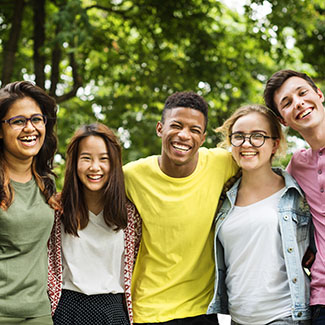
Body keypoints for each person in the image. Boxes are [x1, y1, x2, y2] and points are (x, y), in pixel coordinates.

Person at [123, 91, 238, 324]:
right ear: (160, 129)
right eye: (176, 126)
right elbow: (87, 192)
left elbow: (262, 169)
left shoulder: (222, 163)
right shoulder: (131, 175)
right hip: (148, 309)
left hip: (201, 310)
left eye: (194, 130)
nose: (184, 135)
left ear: (203, 138)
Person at [208, 104, 312, 324]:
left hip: (285, 316)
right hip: (237, 319)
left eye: (257, 136)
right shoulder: (223, 198)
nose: (247, 144)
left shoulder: (295, 195)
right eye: (239, 136)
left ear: (274, 144)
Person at [51, 123, 141, 325]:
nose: (95, 167)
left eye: (104, 159)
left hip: (114, 311)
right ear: (74, 163)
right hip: (67, 309)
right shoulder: (57, 210)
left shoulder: (130, 215)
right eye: (86, 158)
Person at [264, 70, 325, 324]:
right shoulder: (297, 167)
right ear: (283, 120)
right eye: (287, 103)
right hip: (321, 301)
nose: (298, 103)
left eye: (303, 93)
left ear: (319, 94)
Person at [0, 81, 57, 324]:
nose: (30, 128)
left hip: (39, 312)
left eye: (37, 119)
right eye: (18, 121)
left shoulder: (47, 184)